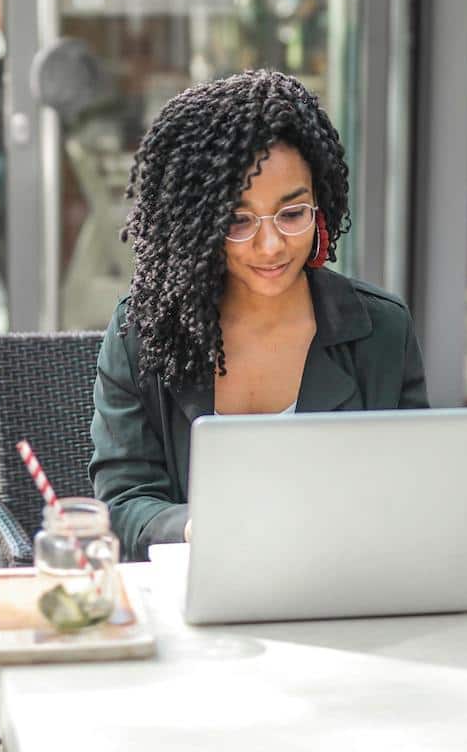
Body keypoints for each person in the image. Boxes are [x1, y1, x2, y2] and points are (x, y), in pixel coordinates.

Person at [88, 71, 429, 560]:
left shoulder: (381, 331)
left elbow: (413, 495)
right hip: (194, 600)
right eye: (238, 220)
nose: (270, 247)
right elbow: (122, 503)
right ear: (198, 225)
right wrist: (192, 527)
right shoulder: (142, 333)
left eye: (292, 215)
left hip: (346, 590)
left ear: (321, 207)